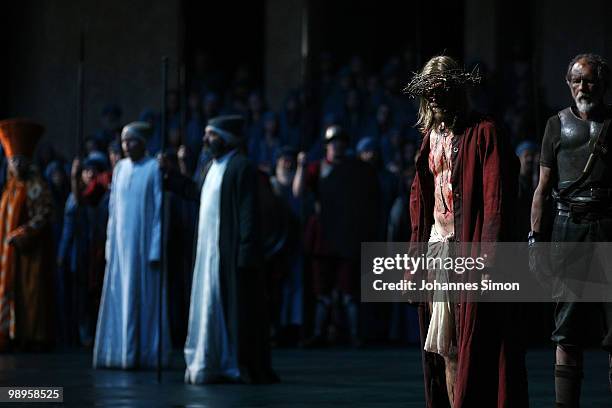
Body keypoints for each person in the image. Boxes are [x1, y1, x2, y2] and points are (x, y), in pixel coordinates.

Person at [405, 56, 528, 407]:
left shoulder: (483, 132)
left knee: (470, 344)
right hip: (437, 247)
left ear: (456, 91)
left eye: (441, 89)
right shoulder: (429, 138)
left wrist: (487, 261)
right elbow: (420, 201)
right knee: (446, 348)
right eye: (428, 91)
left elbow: (496, 202)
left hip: (469, 252)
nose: (434, 97)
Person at [163, 115, 278, 384]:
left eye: (211, 135)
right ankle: (212, 359)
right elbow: (195, 192)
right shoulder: (209, 167)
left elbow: (249, 213)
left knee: (235, 309)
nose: (205, 140)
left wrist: (246, 252)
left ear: (226, 139)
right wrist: (170, 177)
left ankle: (237, 363)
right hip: (207, 252)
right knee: (210, 304)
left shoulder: (241, 167)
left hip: (228, 252)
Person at [530, 53, 612, 406]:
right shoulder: (556, 125)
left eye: (590, 80)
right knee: (566, 330)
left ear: (603, 84)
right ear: (568, 83)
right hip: (568, 229)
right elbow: (542, 188)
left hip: (609, 227)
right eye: (577, 80)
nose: (583, 87)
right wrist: (535, 239)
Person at [93, 121, 170, 369]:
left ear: (143, 142)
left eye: (132, 140)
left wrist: (155, 247)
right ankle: (118, 351)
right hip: (120, 245)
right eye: (124, 141)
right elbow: (114, 211)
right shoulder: (120, 169)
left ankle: (141, 352)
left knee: (140, 295)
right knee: (120, 293)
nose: (126, 146)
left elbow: (158, 210)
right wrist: (109, 243)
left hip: (142, 243)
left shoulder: (152, 169)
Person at [294, 125, 380, 347]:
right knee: (322, 292)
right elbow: (299, 191)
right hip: (323, 235)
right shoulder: (318, 168)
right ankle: (318, 333)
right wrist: (301, 167)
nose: (338, 145)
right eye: (334, 142)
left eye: (341, 141)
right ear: (327, 145)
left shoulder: (356, 169)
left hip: (347, 234)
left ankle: (353, 335)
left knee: (348, 292)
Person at [0, 119, 54, 351]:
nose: (17, 166)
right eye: (13, 161)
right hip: (8, 253)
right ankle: (12, 333)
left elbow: (44, 213)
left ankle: (33, 338)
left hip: (30, 253)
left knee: (30, 294)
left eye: (21, 161)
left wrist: (23, 234)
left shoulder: (36, 186)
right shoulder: (9, 188)